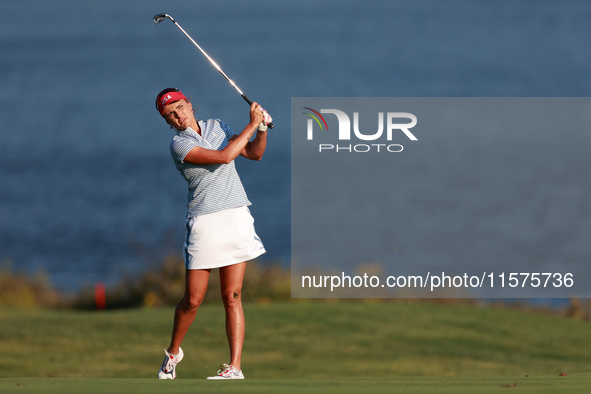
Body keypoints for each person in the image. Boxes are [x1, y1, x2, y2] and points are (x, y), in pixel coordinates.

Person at [154, 88, 272, 380]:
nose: (179, 115)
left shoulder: (218, 126)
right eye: (171, 114)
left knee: (232, 295)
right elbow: (223, 157)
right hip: (204, 222)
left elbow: (253, 154)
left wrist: (262, 130)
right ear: (168, 121)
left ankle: (235, 367)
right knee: (193, 299)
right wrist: (252, 122)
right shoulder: (179, 144)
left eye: (180, 107)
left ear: (190, 105)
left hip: (235, 216)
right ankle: (173, 353)